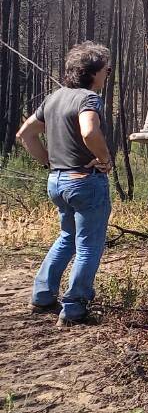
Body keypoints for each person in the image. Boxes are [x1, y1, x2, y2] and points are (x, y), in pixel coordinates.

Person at [15, 42, 114, 327]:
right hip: (84, 182)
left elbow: (25, 134)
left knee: (66, 238)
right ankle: (74, 309)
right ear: (93, 73)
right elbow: (89, 131)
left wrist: (48, 162)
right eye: (106, 70)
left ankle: (43, 296)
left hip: (57, 181)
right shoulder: (88, 99)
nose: (107, 75)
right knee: (88, 247)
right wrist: (104, 158)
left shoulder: (53, 98)